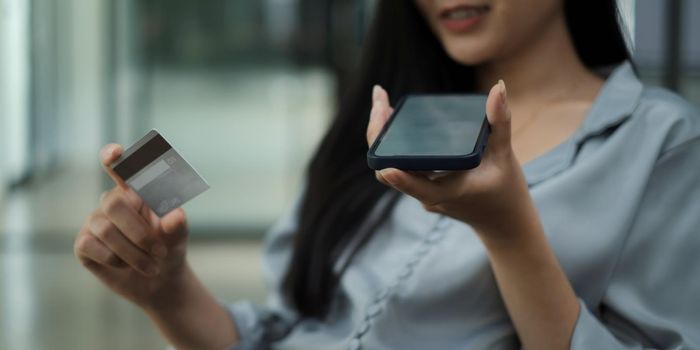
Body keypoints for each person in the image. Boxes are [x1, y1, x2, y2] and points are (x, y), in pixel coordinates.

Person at [74, 0, 700, 349]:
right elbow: (293, 329)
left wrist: (509, 233)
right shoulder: (382, 121)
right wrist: (168, 290)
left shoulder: (659, 141)